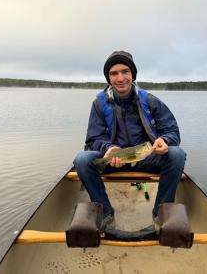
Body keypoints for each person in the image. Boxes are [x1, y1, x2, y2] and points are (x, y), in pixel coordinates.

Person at [74, 50, 186, 230]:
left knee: (177, 154)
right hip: (114, 159)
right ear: (108, 78)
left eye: (125, 71)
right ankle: (106, 213)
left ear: (133, 74)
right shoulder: (99, 103)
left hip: (146, 157)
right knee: (82, 160)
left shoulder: (149, 100)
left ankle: (160, 213)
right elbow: (93, 138)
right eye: (114, 73)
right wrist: (108, 148)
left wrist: (164, 140)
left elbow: (172, 130)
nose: (120, 78)